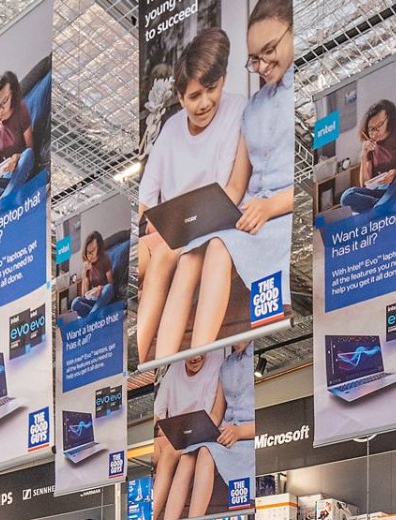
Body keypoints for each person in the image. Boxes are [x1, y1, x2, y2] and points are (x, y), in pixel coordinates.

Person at [183, 0, 296, 356]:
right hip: (250, 214)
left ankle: (199, 351)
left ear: (293, 33)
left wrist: (271, 206)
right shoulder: (253, 107)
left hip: (285, 214)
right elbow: (236, 185)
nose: (261, 65)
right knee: (193, 251)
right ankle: (178, 360)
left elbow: (319, 177)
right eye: (254, 59)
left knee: (219, 246)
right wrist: (204, 220)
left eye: (269, 51)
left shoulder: (308, 91)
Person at [135, 28, 249, 362]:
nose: (205, 103)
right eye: (195, 96)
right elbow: (145, 196)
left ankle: (155, 363)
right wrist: (144, 229)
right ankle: (133, 359)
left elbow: (231, 188)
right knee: (140, 260)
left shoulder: (238, 111)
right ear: (180, 97)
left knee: (166, 260)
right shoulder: (171, 128)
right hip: (170, 229)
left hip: (210, 225)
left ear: (222, 80)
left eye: (212, 89)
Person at [150, 350, 225, 520]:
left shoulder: (216, 362)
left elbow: (211, 416)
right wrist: (162, 430)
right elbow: (158, 412)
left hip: (200, 435)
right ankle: (151, 518)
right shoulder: (174, 369)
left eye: (200, 352)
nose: (195, 358)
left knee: (168, 454)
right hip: (175, 434)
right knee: (155, 450)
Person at [340, 99, 396, 214]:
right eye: (371, 128)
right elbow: (364, 185)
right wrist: (364, 154)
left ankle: (379, 209)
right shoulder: (370, 145)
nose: (375, 132)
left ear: (389, 120)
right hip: (382, 190)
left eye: (379, 125)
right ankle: (388, 206)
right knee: (346, 196)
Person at [0, 71, 34, 183]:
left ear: (13, 96)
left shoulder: (21, 110)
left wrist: (17, 158)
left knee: (27, 155)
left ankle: (9, 191)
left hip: (22, 166)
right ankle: (9, 190)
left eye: (5, 101)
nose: (0, 110)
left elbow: (31, 150)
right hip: (6, 175)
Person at [71, 230, 117, 318]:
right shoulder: (86, 264)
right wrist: (84, 274)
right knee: (75, 302)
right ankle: (97, 315)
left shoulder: (104, 259)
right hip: (94, 301)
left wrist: (101, 288)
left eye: (92, 251)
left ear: (98, 248)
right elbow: (84, 295)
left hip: (104, 297)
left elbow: (111, 284)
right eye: (88, 251)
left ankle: (91, 317)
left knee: (109, 288)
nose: (90, 255)